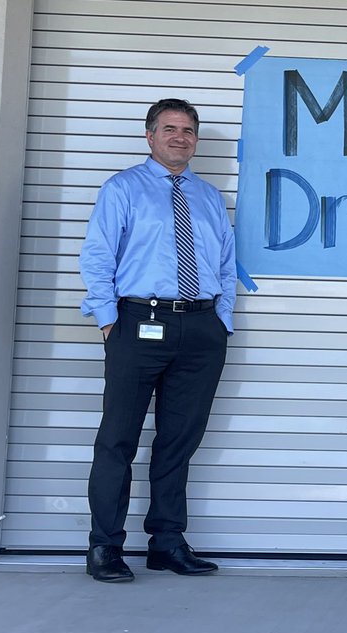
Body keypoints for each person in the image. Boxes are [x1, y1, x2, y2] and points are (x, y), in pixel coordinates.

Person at [79, 98, 236, 583]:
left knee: (178, 442)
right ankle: (105, 547)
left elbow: (226, 265)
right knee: (117, 441)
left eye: (188, 130)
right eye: (169, 128)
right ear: (150, 136)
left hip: (201, 329)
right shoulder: (123, 189)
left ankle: (167, 542)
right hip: (137, 324)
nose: (180, 137)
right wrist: (109, 321)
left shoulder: (209, 197)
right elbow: (98, 255)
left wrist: (221, 321)